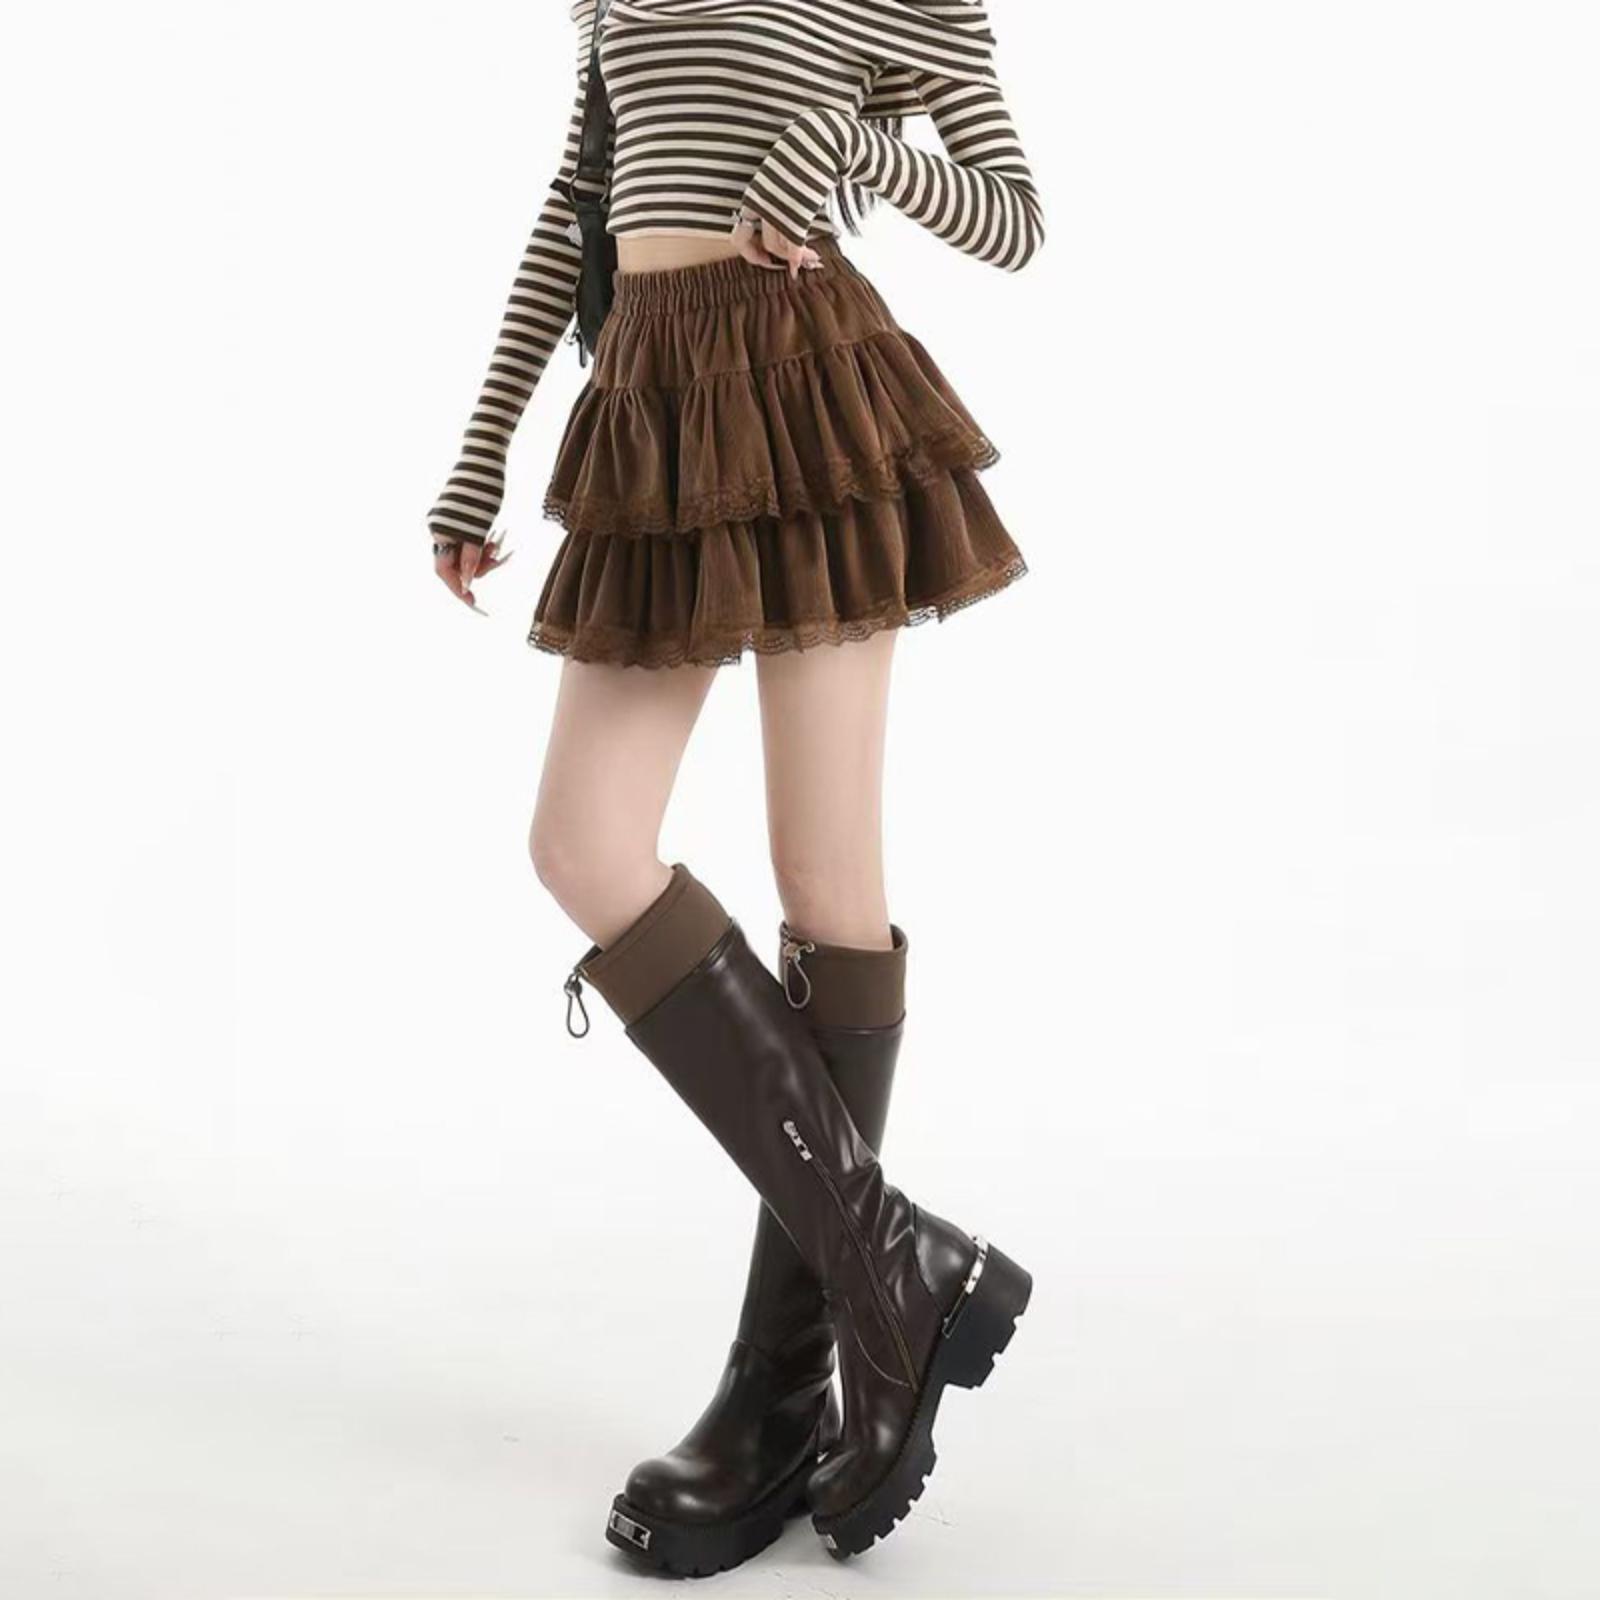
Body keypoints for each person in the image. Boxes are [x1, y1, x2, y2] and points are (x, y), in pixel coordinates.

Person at [426, 0, 1044, 1574]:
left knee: (825, 880)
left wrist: (851, 141)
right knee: (585, 844)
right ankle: (893, 1267)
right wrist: (486, 443)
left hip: (809, 389)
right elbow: (580, 204)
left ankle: (778, 1397)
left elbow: (1014, 218)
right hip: (651, 407)